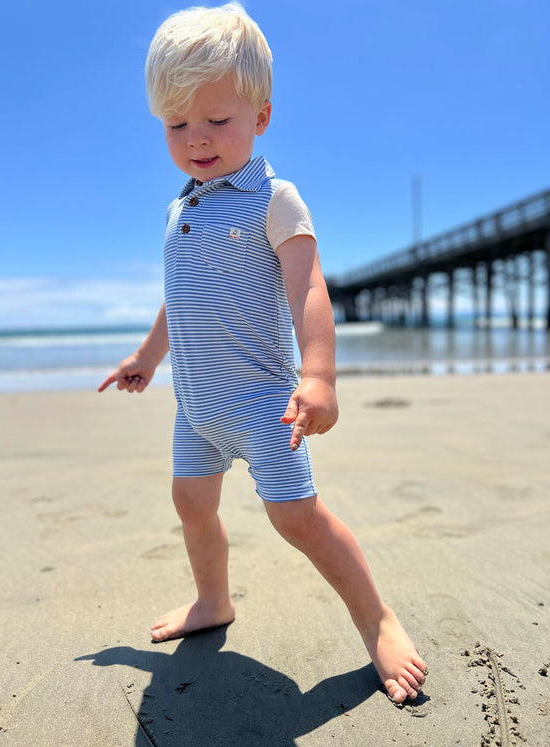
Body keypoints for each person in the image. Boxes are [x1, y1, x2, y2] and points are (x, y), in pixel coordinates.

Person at [98, 2, 428, 704]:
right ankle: (212, 598)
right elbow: (177, 296)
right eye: (177, 124)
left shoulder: (274, 199)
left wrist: (319, 376)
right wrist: (147, 358)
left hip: (264, 404)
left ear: (262, 116)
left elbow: (309, 287)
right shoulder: (178, 208)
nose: (198, 139)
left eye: (218, 120)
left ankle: (377, 618)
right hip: (197, 408)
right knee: (191, 503)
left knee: (296, 517)